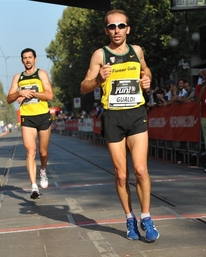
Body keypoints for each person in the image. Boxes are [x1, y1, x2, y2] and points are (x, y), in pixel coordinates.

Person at [80, 9, 159, 242]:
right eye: (112, 27)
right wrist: (98, 80)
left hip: (136, 113)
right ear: (106, 30)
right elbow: (84, 86)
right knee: (122, 175)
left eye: (121, 26)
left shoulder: (137, 51)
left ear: (128, 29)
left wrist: (147, 80)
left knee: (141, 170)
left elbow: (146, 71)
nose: (117, 30)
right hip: (113, 117)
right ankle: (129, 218)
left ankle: (146, 217)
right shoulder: (100, 55)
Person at [7, 48, 54, 199]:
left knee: (43, 152)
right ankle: (34, 187)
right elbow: (9, 98)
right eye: (25, 58)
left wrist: (32, 93)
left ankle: (43, 171)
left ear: (35, 59)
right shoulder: (18, 77)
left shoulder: (41, 74)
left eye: (30, 57)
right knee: (30, 151)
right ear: (22, 60)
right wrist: (20, 93)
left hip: (43, 116)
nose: (27, 60)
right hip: (27, 118)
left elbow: (49, 95)